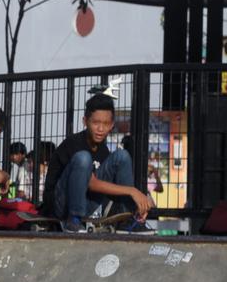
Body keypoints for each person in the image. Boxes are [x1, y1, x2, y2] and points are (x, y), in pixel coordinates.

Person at [40, 94, 154, 233]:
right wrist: (132, 191)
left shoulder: (103, 150)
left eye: (106, 124)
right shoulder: (73, 143)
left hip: (87, 205)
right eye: (95, 123)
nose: (100, 129)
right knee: (84, 158)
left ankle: (127, 220)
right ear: (85, 121)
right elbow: (91, 183)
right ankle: (73, 220)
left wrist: (140, 203)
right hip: (62, 205)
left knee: (122, 156)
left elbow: (107, 188)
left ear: (112, 125)